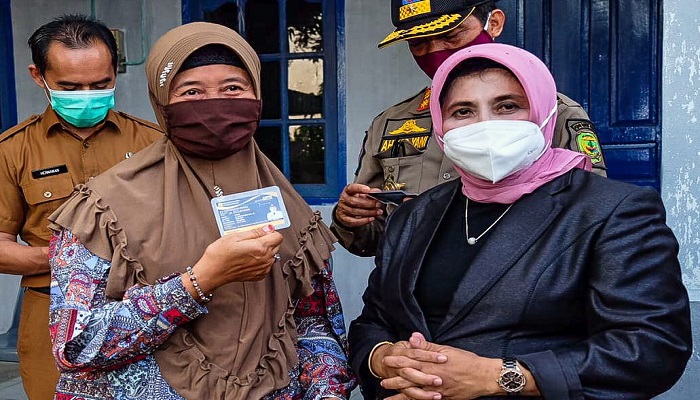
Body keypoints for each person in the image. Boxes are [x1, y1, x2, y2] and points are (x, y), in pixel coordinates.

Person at [348, 43, 691, 399]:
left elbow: (652, 347)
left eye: (507, 106)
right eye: (463, 111)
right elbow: (373, 321)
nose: (485, 125)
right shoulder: (414, 215)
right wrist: (385, 359)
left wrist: (497, 376)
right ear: (440, 125)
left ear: (544, 113)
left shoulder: (612, 210)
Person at [47, 22, 356, 399]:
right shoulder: (103, 207)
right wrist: (199, 282)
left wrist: (327, 391)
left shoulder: (287, 203)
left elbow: (314, 325)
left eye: (233, 88)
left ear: (257, 95)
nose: (215, 103)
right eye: (191, 91)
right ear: (162, 103)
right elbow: (76, 347)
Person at [331, 0, 607, 257]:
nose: (435, 51)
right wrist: (351, 219)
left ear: (493, 23)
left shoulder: (551, 113)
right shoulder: (392, 123)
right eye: (418, 43)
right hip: (412, 282)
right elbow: (372, 238)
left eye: (451, 36)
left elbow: (591, 217)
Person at [0, 14, 162, 399]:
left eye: (101, 84)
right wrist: (75, 261)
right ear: (38, 76)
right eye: (70, 87)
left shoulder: (155, 143)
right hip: (51, 311)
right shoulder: (12, 151)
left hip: (143, 307)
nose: (88, 94)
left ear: (115, 72)